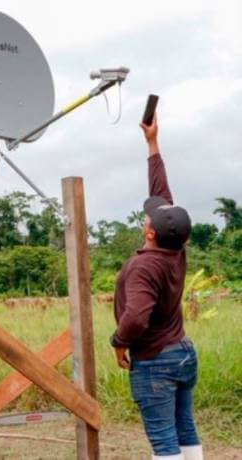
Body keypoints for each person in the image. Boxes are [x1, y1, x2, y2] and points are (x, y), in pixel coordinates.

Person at [110, 115, 202, 460]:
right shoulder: (175, 248)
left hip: (155, 361)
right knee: (185, 429)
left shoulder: (143, 267)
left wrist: (119, 343)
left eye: (148, 218)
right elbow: (161, 195)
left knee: (164, 441)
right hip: (181, 352)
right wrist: (152, 143)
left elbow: (135, 317)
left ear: (150, 232)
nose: (148, 215)